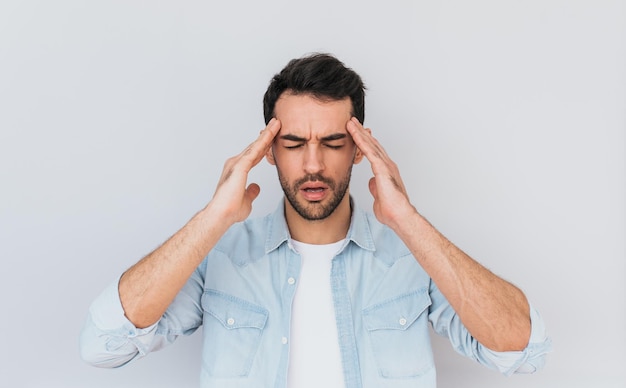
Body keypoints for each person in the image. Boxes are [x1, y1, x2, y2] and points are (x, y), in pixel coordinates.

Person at [80, 53, 551, 388]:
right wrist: (213, 218)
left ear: (360, 149)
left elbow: (522, 350)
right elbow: (103, 346)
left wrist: (406, 219)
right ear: (267, 153)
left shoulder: (412, 258)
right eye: (292, 144)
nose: (312, 164)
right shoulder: (219, 257)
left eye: (331, 142)